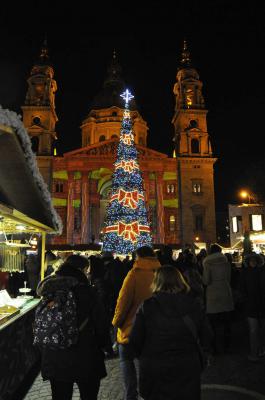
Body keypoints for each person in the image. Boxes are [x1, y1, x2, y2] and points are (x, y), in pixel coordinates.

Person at [130, 265, 213, 400]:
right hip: (187, 366)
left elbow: (135, 340)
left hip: (155, 367)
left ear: (157, 282)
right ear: (180, 281)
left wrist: (145, 357)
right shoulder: (194, 304)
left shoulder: (147, 306)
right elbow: (207, 335)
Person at [36, 254, 110, 400]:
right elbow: (101, 324)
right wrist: (104, 346)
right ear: (80, 270)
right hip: (86, 355)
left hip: (55, 355)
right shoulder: (88, 292)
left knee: (60, 396)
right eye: (86, 270)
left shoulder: (48, 290)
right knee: (88, 396)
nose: (88, 273)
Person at [112, 246, 160, 400]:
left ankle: (131, 396)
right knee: (149, 363)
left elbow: (123, 302)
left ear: (138, 256)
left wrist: (117, 323)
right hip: (154, 328)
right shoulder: (160, 273)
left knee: (126, 360)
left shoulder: (134, 274)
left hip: (131, 328)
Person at [203, 244, 234, 354]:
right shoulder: (226, 263)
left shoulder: (208, 263)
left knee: (214, 325)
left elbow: (206, 281)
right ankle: (227, 346)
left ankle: (215, 348)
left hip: (213, 295)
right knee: (227, 323)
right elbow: (229, 279)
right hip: (225, 292)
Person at [239, 253, 265, 361]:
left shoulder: (261, 272)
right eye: (251, 260)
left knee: (259, 329)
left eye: (254, 260)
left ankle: (260, 350)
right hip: (252, 304)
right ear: (248, 262)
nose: (253, 262)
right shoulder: (246, 273)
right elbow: (242, 289)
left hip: (260, 304)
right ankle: (255, 352)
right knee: (254, 330)